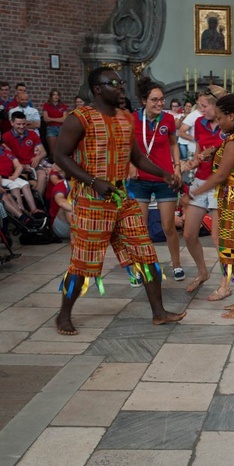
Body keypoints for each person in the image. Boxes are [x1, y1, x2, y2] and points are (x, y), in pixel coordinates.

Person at [53, 67, 186, 336]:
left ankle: (159, 313)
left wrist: (163, 173)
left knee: (146, 254)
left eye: (121, 82)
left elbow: (136, 157)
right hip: (91, 200)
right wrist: (92, 181)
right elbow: (61, 156)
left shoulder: (126, 118)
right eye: (114, 83)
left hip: (120, 197)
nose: (121, 87)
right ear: (98, 89)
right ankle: (63, 315)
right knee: (83, 262)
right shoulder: (80, 118)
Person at [189, 94, 234, 319]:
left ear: (231, 115)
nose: (218, 122)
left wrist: (193, 192)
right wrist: (211, 154)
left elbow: (220, 175)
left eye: (220, 118)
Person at [128, 77, 184, 281]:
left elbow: (173, 144)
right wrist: (132, 165)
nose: (160, 103)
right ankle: (138, 268)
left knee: (168, 226)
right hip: (140, 179)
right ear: (144, 101)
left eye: (162, 99)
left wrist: (177, 167)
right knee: (140, 228)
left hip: (164, 178)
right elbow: (127, 147)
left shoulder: (167, 120)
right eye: (155, 100)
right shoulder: (132, 119)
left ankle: (176, 264)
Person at [180, 85, 232, 302]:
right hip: (201, 180)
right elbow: (201, 149)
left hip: (219, 184)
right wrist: (193, 161)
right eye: (199, 106)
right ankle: (203, 271)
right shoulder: (200, 123)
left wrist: (213, 154)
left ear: (215, 106)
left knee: (217, 237)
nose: (200, 111)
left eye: (204, 106)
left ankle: (225, 284)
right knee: (189, 233)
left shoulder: (227, 126)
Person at [2, 111, 51, 197]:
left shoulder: (32, 134)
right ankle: (34, 202)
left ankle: (38, 201)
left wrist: (38, 157)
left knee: (42, 175)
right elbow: (7, 157)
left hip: (33, 164)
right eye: (19, 124)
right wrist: (21, 165)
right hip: (17, 167)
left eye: (24, 124)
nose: (21, 126)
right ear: (12, 123)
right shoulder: (6, 137)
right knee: (30, 182)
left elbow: (44, 152)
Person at [42, 89, 68, 161]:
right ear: (51, 96)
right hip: (51, 128)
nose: (56, 96)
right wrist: (58, 119)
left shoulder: (63, 106)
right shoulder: (46, 105)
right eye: (54, 94)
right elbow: (46, 119)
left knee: (61, 150)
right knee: (52, 151)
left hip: (61, 128)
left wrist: (52, 119)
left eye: (57, 95)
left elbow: (64, 120)